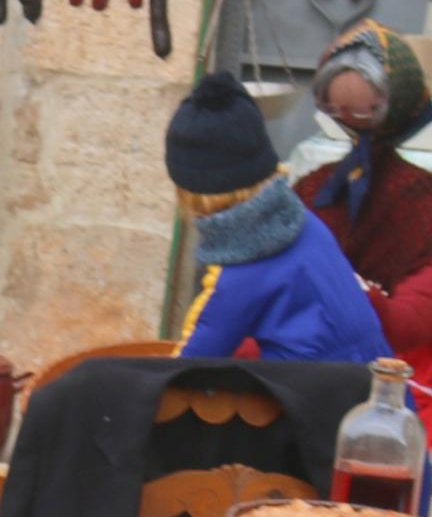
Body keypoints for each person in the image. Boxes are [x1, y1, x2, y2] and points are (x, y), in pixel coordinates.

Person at [293, 22, 432, 435]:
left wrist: (354, 295)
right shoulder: (316, 188)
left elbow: (413, 320)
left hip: (397, 379)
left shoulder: (422, 198)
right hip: (314, 361)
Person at [167, 69, 392, 371]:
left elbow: (186, 366)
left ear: (193, 196)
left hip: (321, 407)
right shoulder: (304, 224)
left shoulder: (239, 277)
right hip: (377, 394)